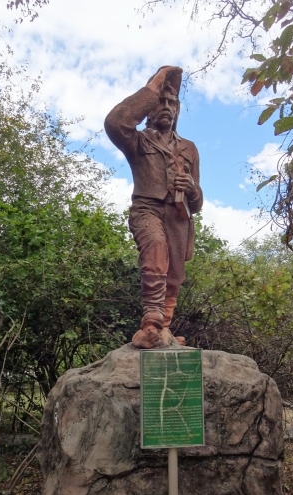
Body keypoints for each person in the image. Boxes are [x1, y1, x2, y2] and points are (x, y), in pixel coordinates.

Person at [104, 66, 203, 348]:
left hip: (179, 216)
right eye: (161, 102)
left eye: (172, 103)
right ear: (149, 107)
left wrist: (193, 190)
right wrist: (154, 87)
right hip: (147, 209)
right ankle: (151, 322)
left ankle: (164, 331)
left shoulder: (189, 148)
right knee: (155, 250)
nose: (167, 107)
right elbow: (115, 122)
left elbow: (197, 203)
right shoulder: (138, 140)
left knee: (174, 275)